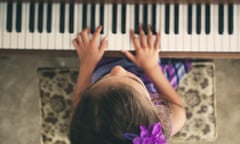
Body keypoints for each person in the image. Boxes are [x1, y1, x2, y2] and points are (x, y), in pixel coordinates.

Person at [69, 25, 191, 144]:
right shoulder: (168, 123)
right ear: (153, 105)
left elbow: (77, 107)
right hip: (151, 75)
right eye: (132, 79)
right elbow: (177, 107)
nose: (118, 69)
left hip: (101, 68)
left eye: (107, 77)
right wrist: (152, 67)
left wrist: (87, 64)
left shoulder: (86, 128)